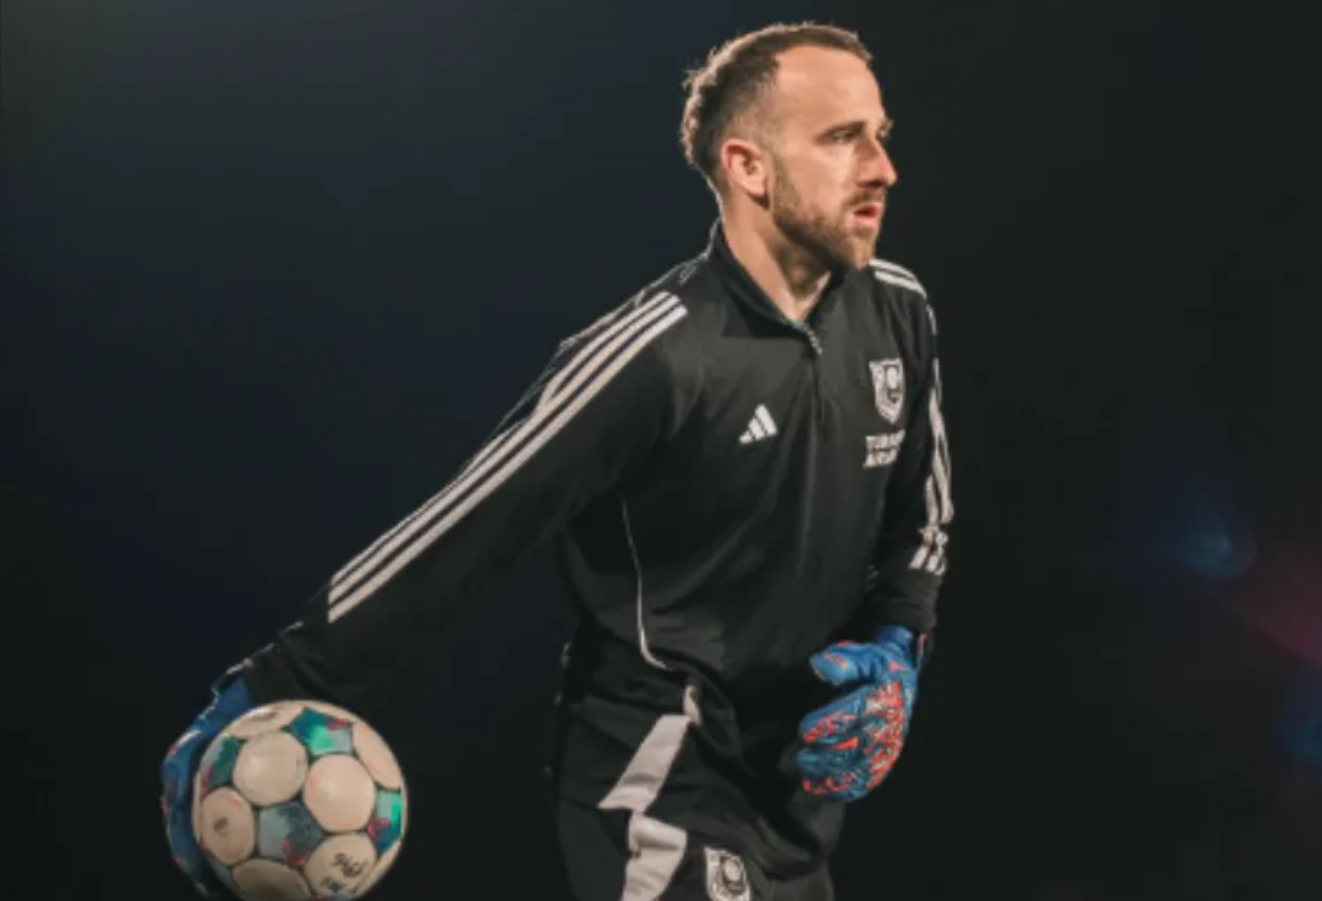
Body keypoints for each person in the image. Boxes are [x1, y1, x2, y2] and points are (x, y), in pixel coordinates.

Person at [160, 21, 954, 901]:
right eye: (843, 138)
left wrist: (896, 645)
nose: (883, 167)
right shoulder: (654, 356)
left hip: (799, 804)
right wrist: (277, 679)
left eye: (880, 135)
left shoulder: (899, 312)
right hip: (659, 786)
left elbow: (922, 521)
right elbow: (465, 529)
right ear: (748, 167)